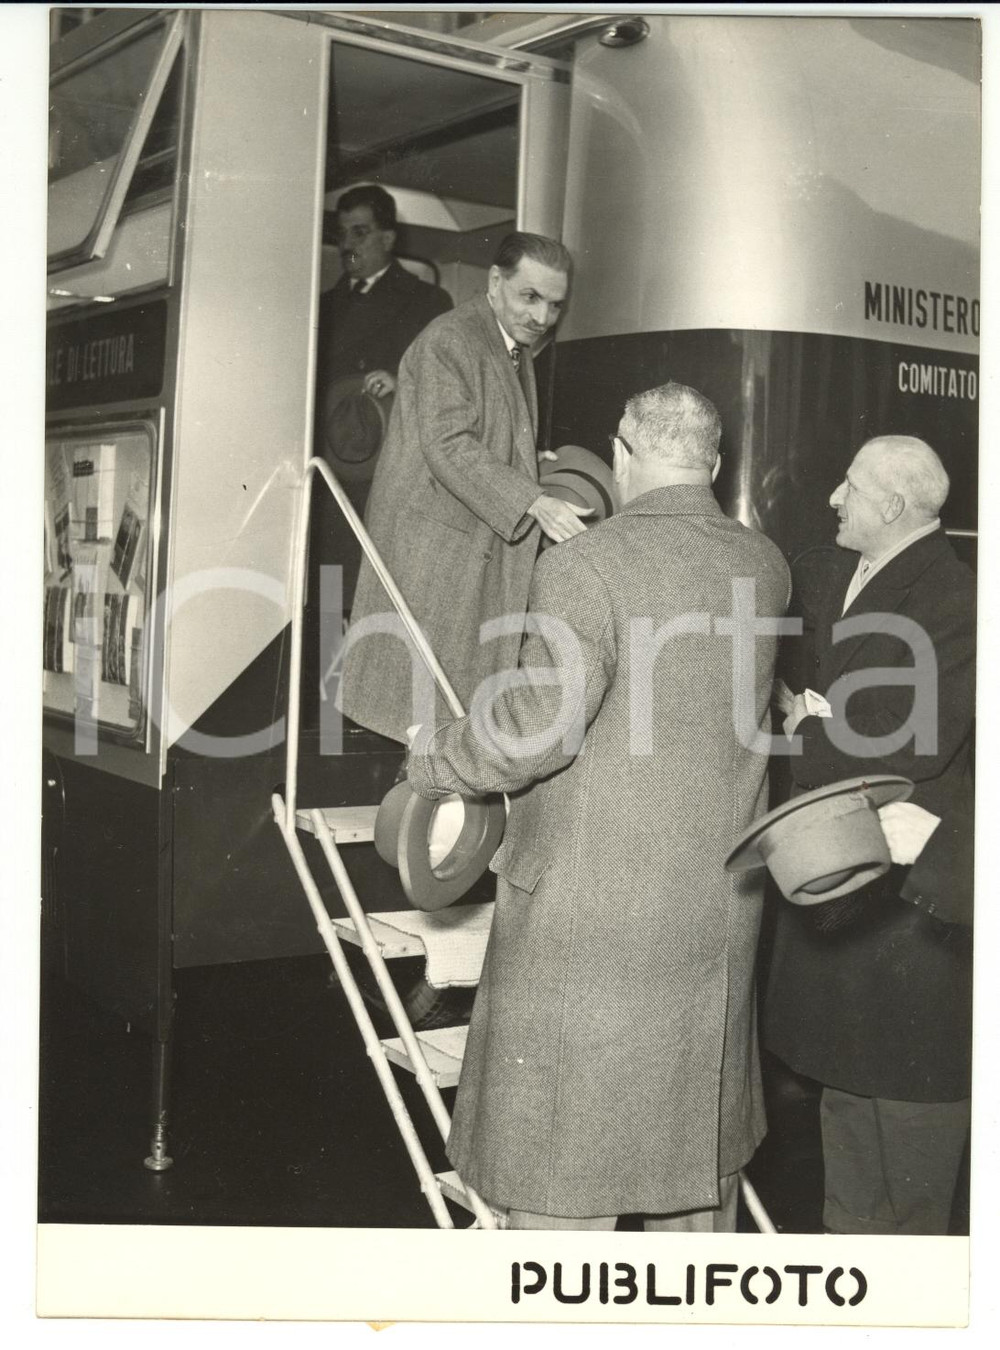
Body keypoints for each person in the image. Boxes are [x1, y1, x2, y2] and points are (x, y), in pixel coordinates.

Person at [405, 382, 791, 1230]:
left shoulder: (585, 563)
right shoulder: (762, 564)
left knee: (564, 1176)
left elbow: (542, 728)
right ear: (714, 465)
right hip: (715, 907)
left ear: (620, 452)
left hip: (594, 914)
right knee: (691, 1183)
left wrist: (437, 761)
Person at [765, 434, 975, 1236]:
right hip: (851, 893)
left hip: (909, 917)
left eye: (848, 485)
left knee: (911, 1141)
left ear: (890, 505)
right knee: (849, 1112)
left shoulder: (954, 600)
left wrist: (803, 728)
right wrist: (816, 710)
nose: (832, 499)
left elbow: (916, 738)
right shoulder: (836, 571)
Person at [337, 231, 591, 745]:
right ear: (495, 282)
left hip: (460, 554)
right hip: (435, 562)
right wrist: (533, 500)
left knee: (442, 718)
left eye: (555, 305)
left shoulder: (505, 345)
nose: (542, 317)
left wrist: (528, 461)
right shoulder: (451, 340)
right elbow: (449, 444)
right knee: (426, 716)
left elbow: (479, 432)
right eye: (531, 297)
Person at [312, 185, 453, 608]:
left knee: (382, 600)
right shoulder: (318, 308)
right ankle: (330, 675)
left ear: (388, 238)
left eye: (360, 232)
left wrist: (401, 380)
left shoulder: (427, 301)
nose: (347, 245)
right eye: (342, 234)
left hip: (387, 477)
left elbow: (446, 385)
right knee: (331, 599)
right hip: (331, 477)